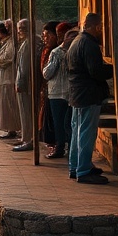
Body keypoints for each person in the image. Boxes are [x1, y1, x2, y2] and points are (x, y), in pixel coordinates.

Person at [67, 13, 113, 184]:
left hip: (77, 93)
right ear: (96, 26)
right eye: (101, 27)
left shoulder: (76, 41)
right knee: (86, 133)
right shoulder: (88, 44)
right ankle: (84, 170)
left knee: (77, 132)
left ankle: (75, 166)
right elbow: (96, 71)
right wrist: (113, 69)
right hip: (88, 94)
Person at [41, 23, 76, 159]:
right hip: (71, 92)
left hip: (56, 93)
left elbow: (47, 73)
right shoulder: (74, 51)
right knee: (69, 124)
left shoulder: (56, 52)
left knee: (59, 124)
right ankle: (70, 148)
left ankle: (60, 148)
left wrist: (45, 68)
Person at [0, 21, 21, 139]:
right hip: (5, 79)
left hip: (9, 79)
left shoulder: (11, 43)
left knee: (10, 106)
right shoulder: (6, 43)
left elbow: (6, 59)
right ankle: (10, 129)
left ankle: (13, 129)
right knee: (6, 107)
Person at [12, 18, 35, 152]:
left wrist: (20, 83)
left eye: (23, 28)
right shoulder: (27, 42)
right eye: (19, 28)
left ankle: (28, 139)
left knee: (27, 113)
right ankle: (26, 138)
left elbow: (24, 68)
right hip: (25, 83)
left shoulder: (28, 43)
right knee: (26, 113)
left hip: (26, 85)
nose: (21, 31)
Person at [38, 21, 58, 150]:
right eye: (44, 36)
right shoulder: (46, 50)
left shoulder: (56, 51)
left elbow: (47, 72)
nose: (45, 39)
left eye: (47, 36)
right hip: (45, 88)